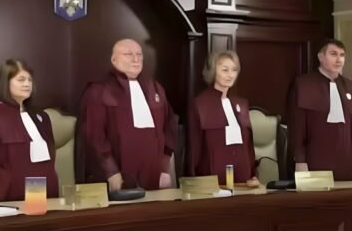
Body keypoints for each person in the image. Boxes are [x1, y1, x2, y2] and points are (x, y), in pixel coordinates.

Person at [78, 39, 176, 191]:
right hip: (119, 177)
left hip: (154, 175)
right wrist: (111, 171)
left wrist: (164, 168)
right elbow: (94, 135)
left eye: (139, 54)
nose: (136, 59)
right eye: (128, 54)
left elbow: (169, 128)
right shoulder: (99, 90)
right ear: (114, 60)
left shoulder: (155, 88)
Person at [284, 39, 352, 181]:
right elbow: (296, 128)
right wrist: (300, 160)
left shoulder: (351, 87)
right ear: (321, 57)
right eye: (333, 54)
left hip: (346, 162)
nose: (339, 59)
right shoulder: (303, 84)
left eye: (342, 55)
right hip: (315, 160)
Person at [0, 59, 59, 202]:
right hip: (8, 198)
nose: (27, 84)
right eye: (21, 79)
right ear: (6, 83)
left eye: (29, 80)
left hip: (44, 195)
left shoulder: (42, 117)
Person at [186, 50, 259, 187]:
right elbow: (194, 148)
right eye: (225, 70)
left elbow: (249, 146)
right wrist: (193, 182)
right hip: (213, 176)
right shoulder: (199, 104)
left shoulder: (241, 103)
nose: (230, 75)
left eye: (234, 70)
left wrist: (253, 173)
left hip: (242, 175)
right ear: (213, 71)